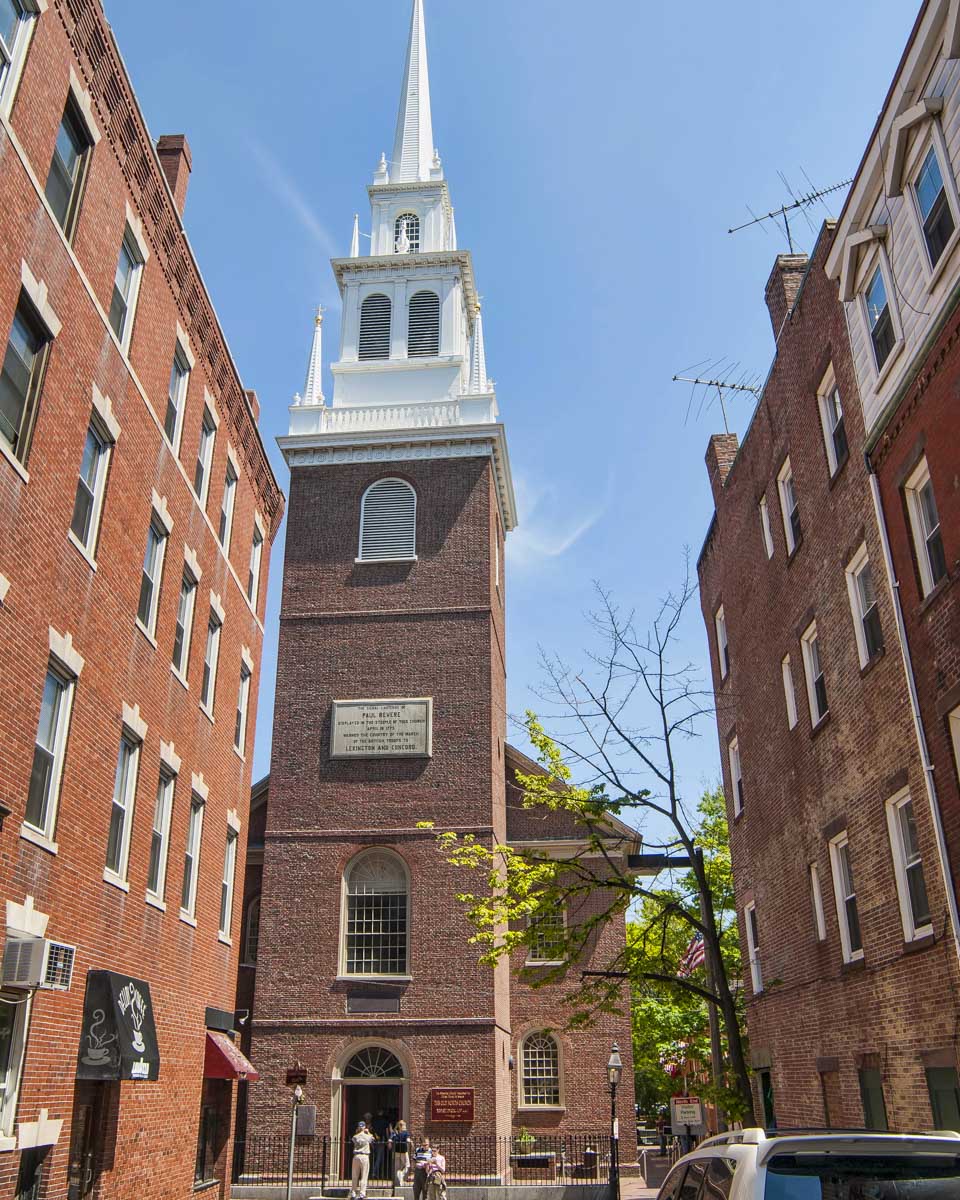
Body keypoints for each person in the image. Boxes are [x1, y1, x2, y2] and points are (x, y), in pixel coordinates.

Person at [351, 1121, 376, 1200]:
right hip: (364, 1156)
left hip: (356, 1156)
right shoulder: (367, 1136)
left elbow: (353, 1140)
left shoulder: (355, 1136)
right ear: (364, 1127)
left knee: (355, 1176)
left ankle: (353, 1193)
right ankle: (362, 1194)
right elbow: (373, 1139)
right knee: (364, 1176)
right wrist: (368, 1132)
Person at [390, 1120, 411, 1187]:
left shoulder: (394, 1132)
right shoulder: (405, 1133)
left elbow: (390, 1139)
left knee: (397, 1167)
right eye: (404, 1125)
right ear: (401, 1126)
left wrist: (390, 1142)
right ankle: (401, 1174)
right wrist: (409, 1141)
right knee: (407, 1165)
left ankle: (398, 1182)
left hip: (396, 1151)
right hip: (404, 1152)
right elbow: (407, 1139)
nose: (405, 1126)